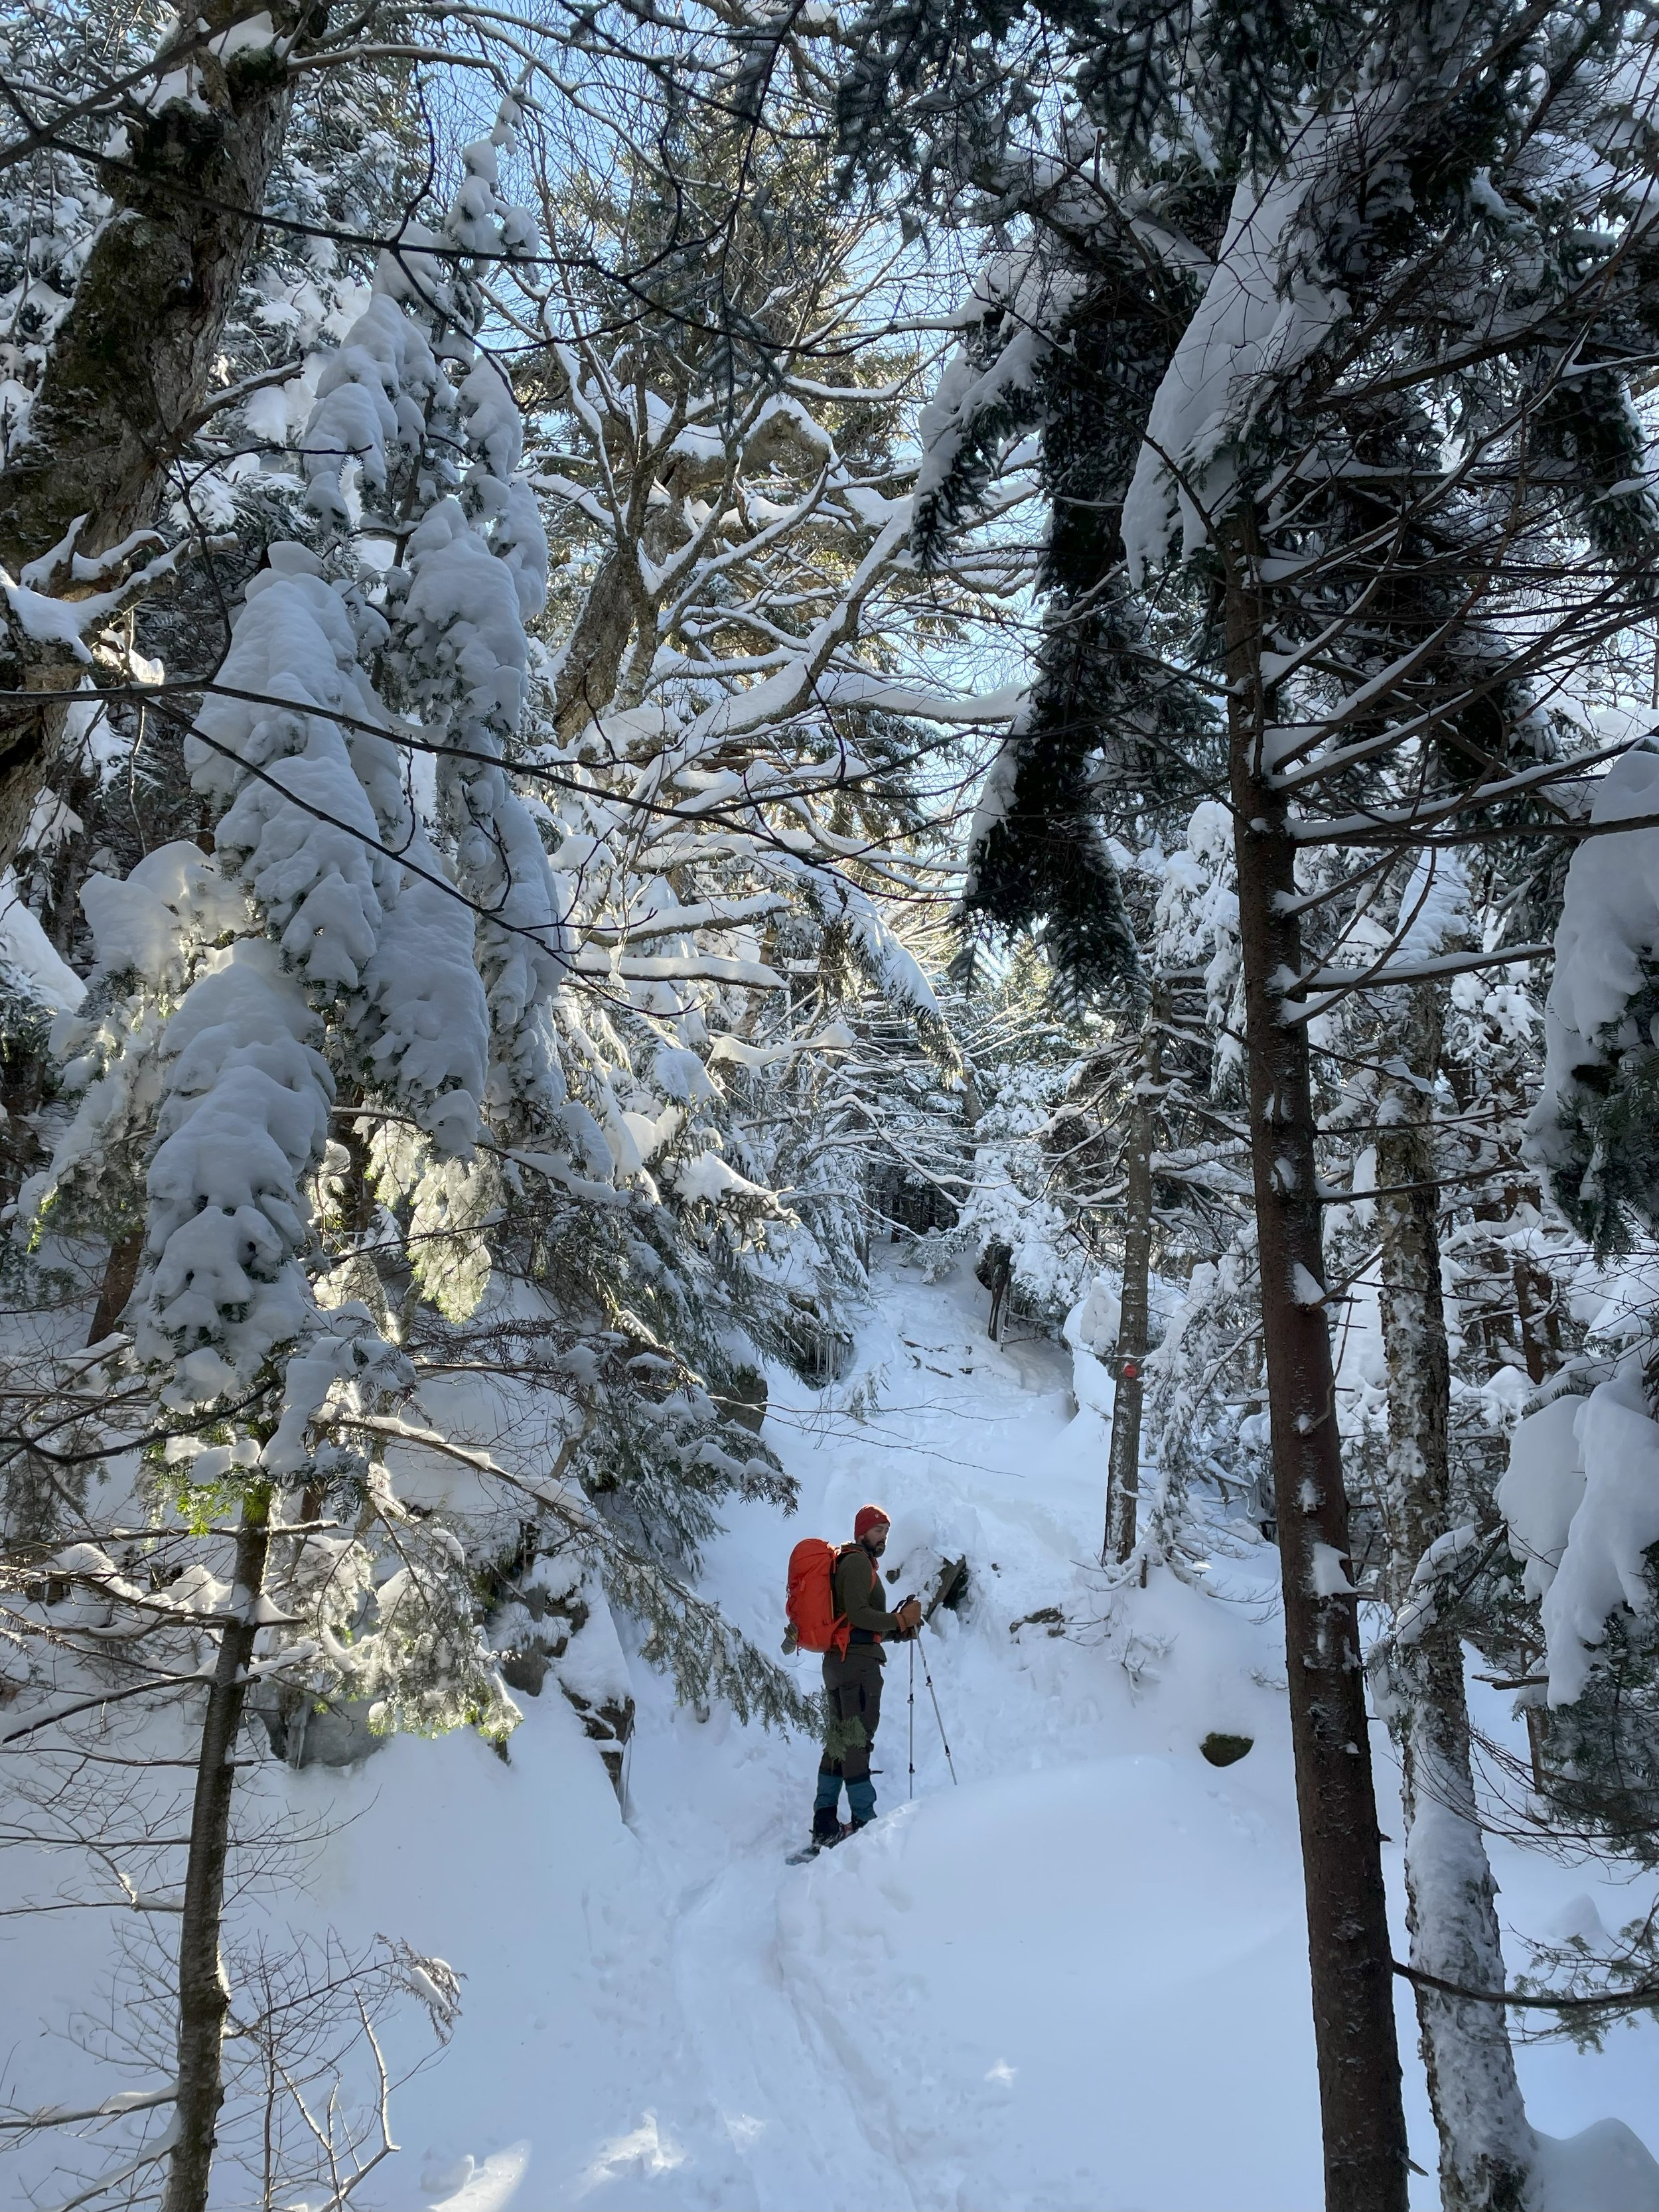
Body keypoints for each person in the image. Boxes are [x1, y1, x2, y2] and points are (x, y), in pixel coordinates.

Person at [811, 1504, 922, 1844]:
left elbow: (855, 1624)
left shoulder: (850, 1562)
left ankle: (825, 1824)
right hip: (856, 1666)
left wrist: (897, 1631)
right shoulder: (857, 1562)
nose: (883, 1536)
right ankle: (864, 1822)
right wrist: (899, 1620)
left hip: (842, 1661)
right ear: (862, 1532)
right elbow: (860, 1615)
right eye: (878, 1530)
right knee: (857, 1739)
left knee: (840, 1740)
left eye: (887, 1531)